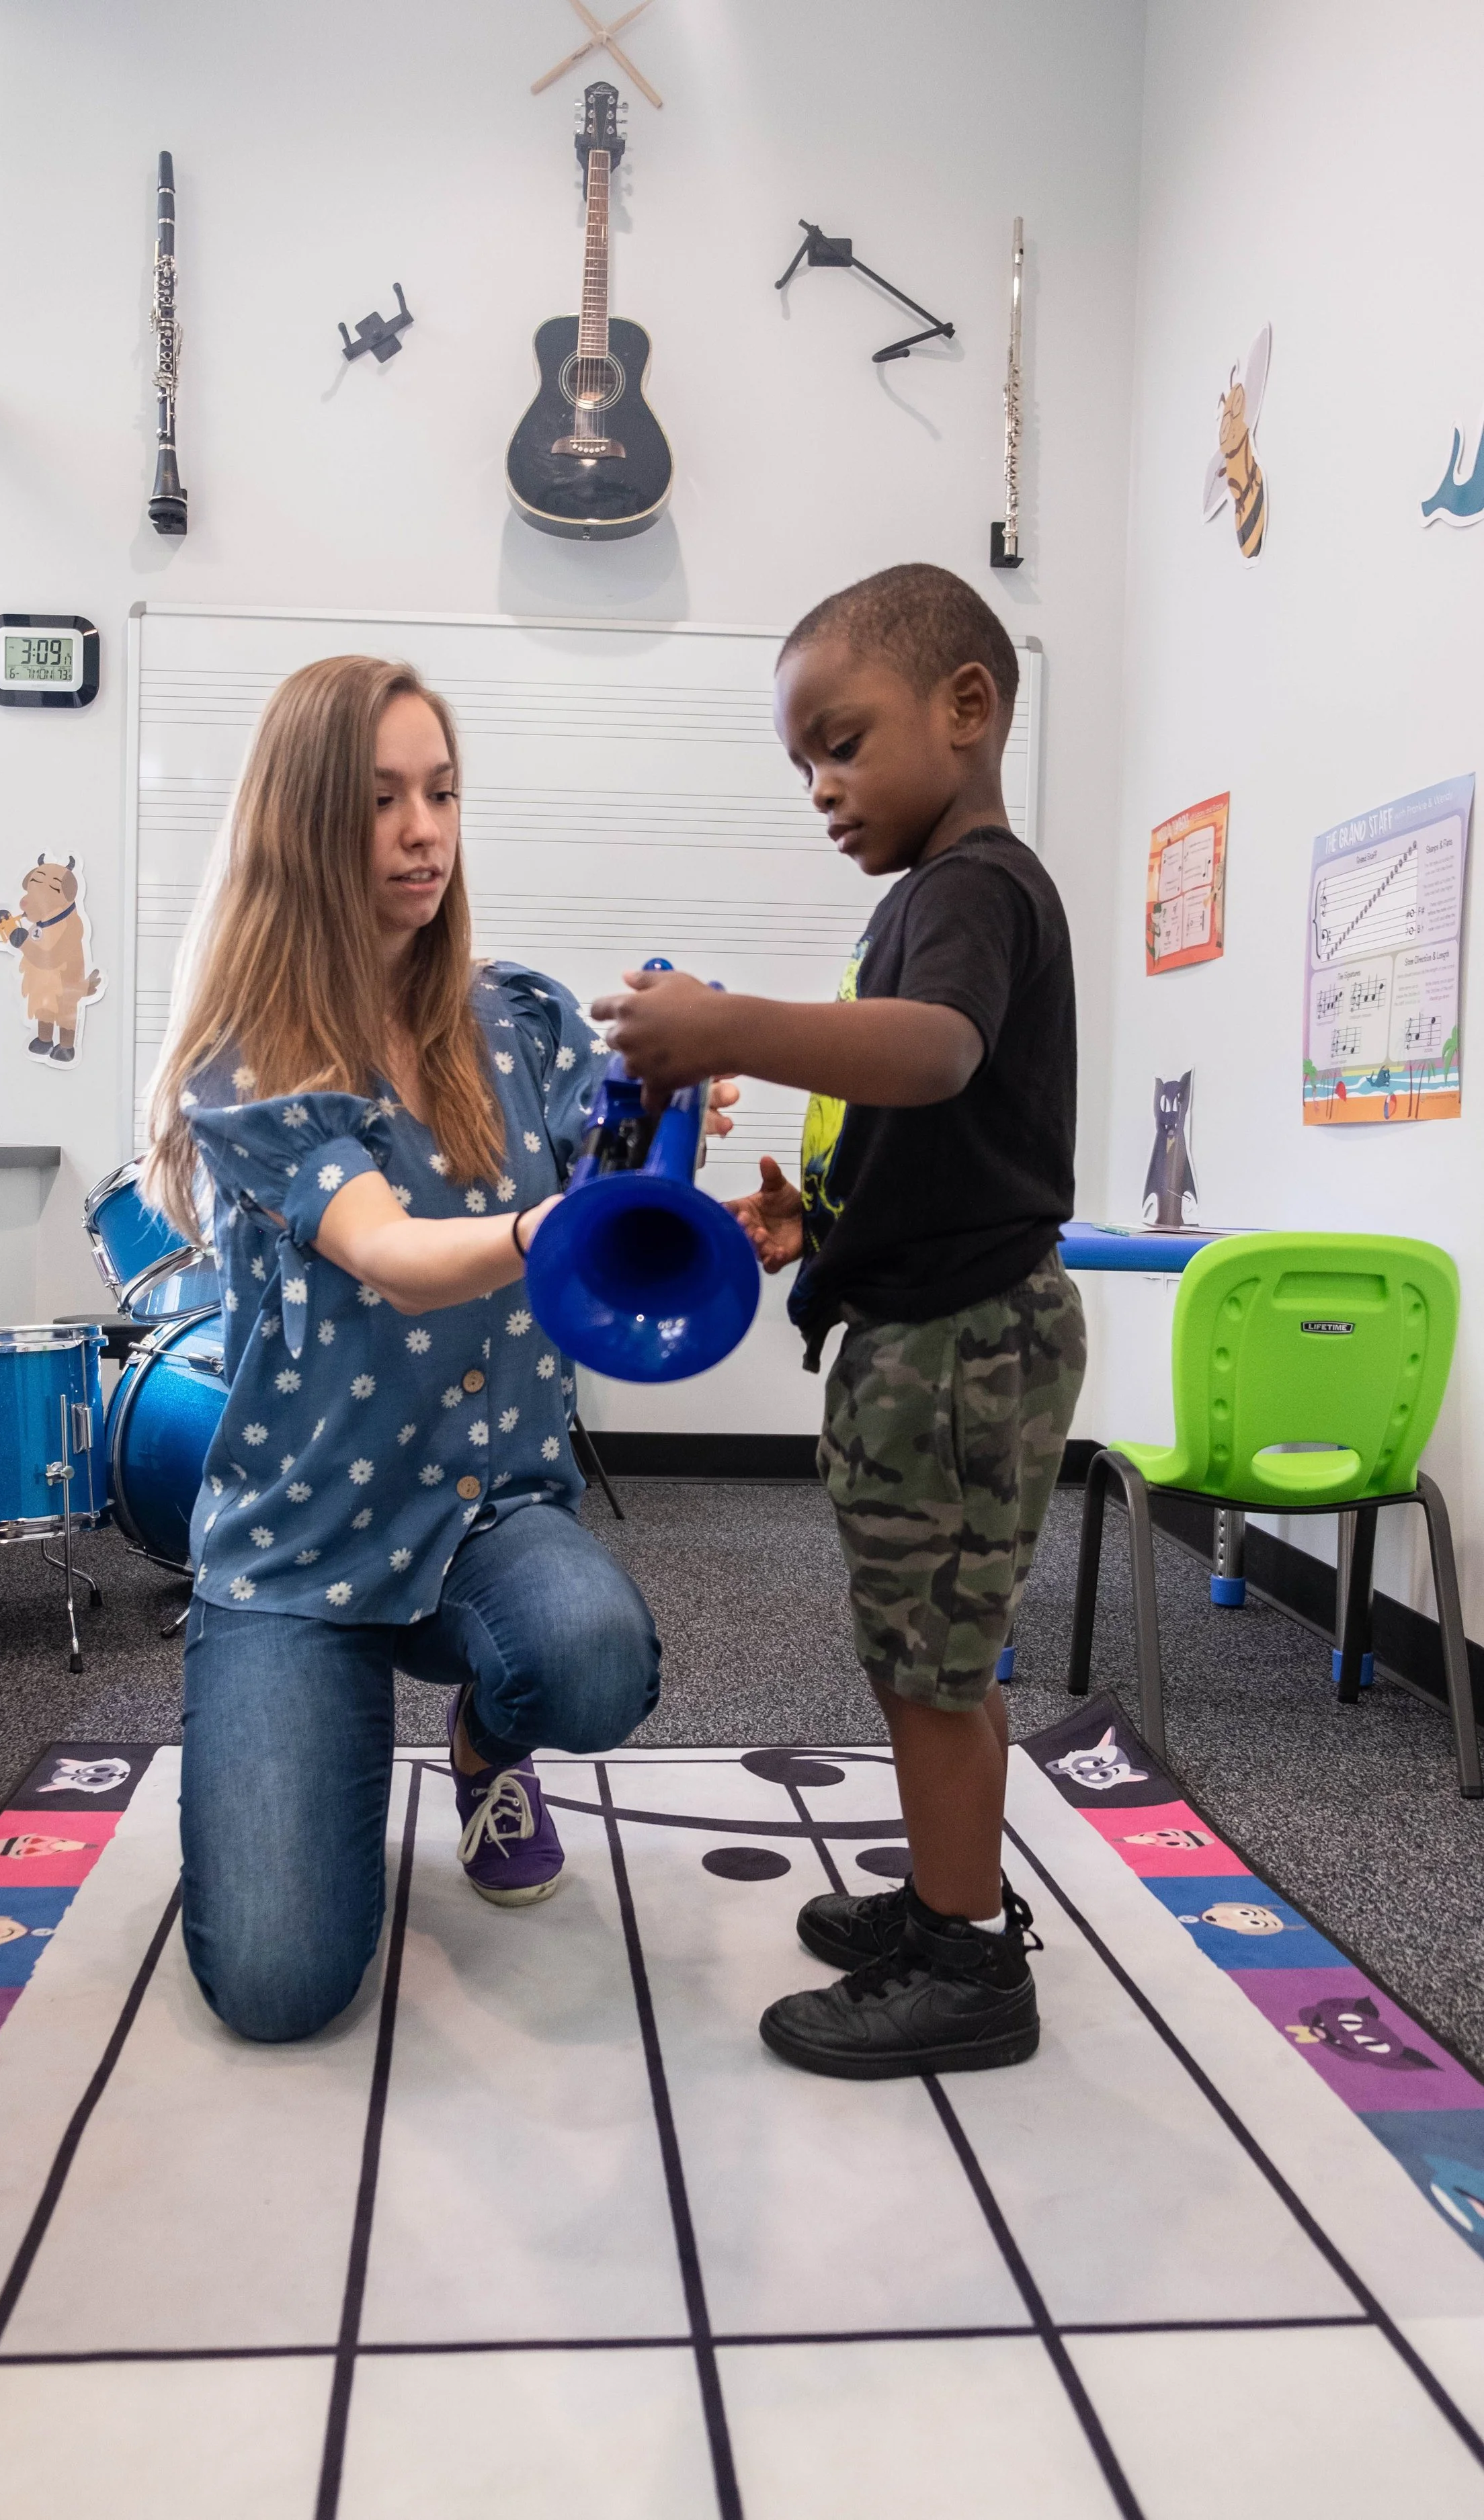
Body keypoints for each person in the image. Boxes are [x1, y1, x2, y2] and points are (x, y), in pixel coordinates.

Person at [593, 562, 1085, 2079]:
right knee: (912, 1648)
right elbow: (947, 1131)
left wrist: (726, 1024)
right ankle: (949, 1896)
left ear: (965, 707)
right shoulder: (931, 899)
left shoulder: (972, 889)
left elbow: (933, 1060)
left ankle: (962, 1962)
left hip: (958, 1351)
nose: (819, 785)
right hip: (921, 1335)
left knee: (934, 1666)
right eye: (800, 759)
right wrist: (821, 1224)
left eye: (841, 740)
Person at [142, 654, 663, 2044]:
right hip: (299, 1549)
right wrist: (552, 1229)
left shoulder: (525, 1020)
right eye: (379, 802)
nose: (423, 830)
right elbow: (388, 1252)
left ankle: (487, 1746)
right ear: (303, 824)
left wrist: (680, 1157)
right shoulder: (252, 1054)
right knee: (277, 1987)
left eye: (438, 793)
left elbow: (611, 1208)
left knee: (598, 1661)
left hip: (483, 1510)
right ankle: (307, 1718)